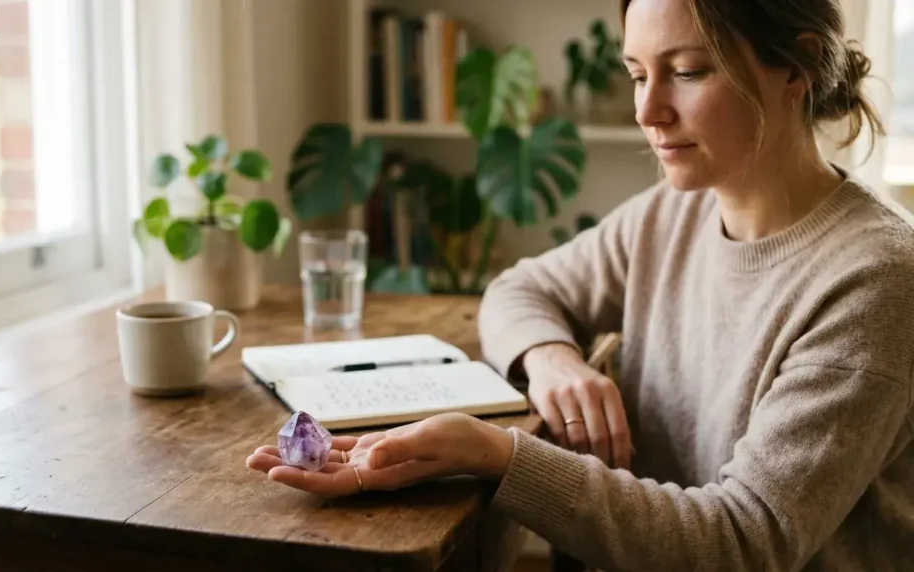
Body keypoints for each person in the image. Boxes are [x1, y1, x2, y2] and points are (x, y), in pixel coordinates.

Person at [247, 0, 914, 569]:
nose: (648, 111)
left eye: (686, 72)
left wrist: (496, 453)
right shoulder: (675, 210)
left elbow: (743, 542)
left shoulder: (875, 281)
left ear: (796, 67)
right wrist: (552, 360)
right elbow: (519, 289)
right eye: (636, 74)